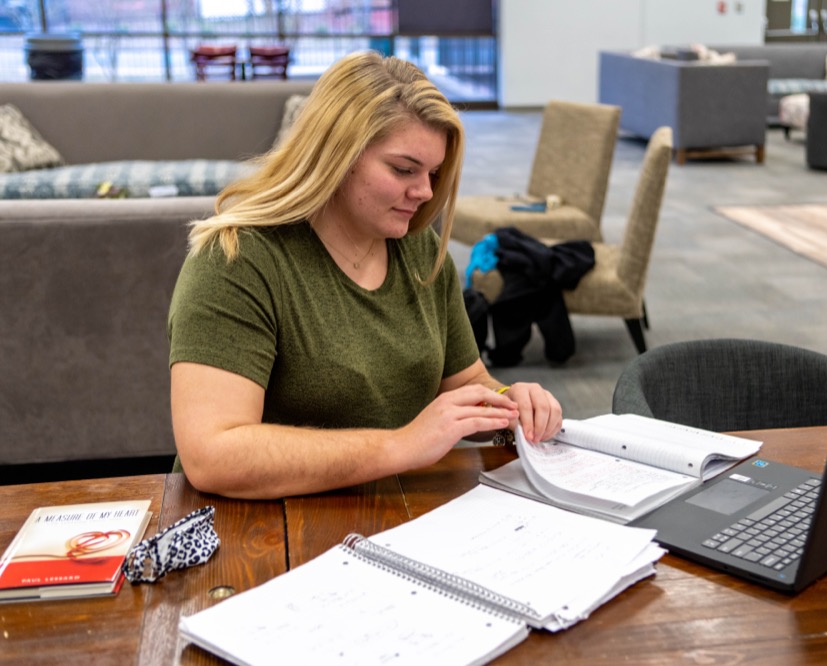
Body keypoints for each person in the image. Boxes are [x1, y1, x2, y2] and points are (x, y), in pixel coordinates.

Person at [167, 51, 562, 500]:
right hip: (260, 528)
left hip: (390, 509)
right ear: (336, 155)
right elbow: (213, 456)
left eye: (433, 173)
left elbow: (465, 381)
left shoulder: (418, 247)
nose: (426, 192)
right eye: (403, 169)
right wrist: (401, 444)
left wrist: (510, 402)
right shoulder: (237, 259)